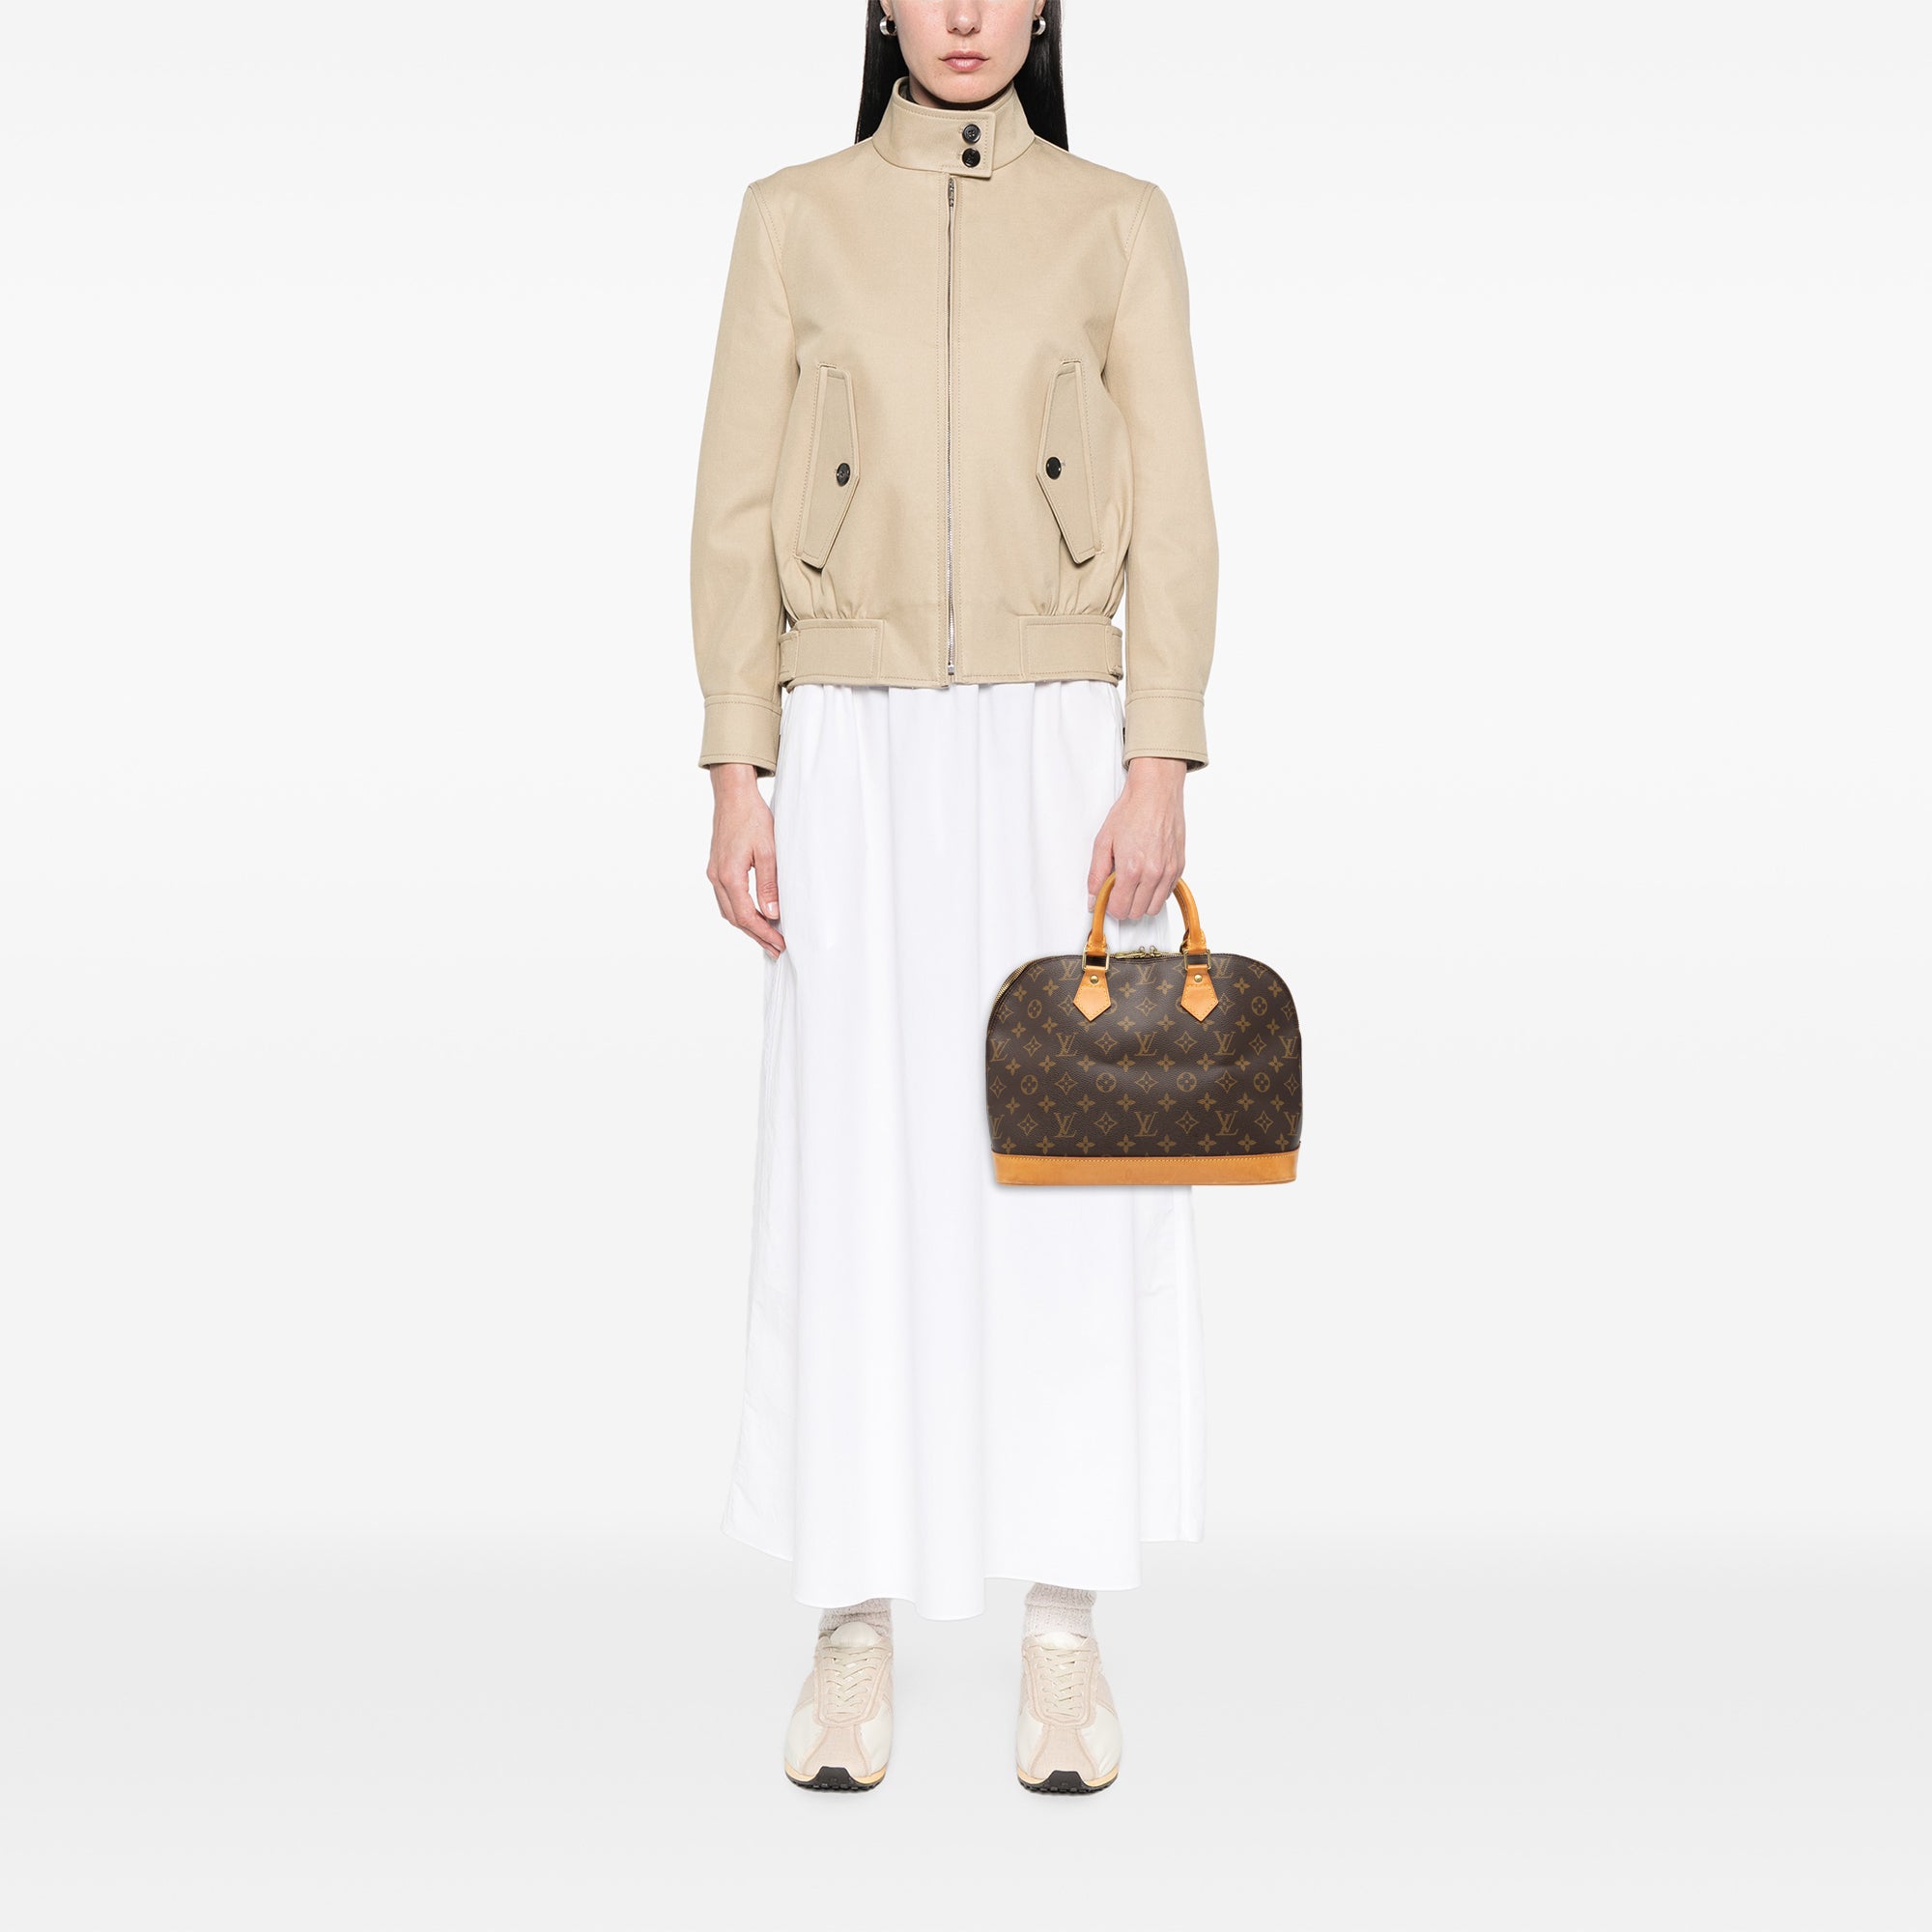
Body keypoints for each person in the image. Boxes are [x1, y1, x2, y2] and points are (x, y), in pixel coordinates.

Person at [690, 0, 1217, 1794]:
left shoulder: (1118, 220)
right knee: (857, 1166)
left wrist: (1159, 754)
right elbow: (734, 507)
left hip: (1063, 746)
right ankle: (851, 1634)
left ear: (1048, 6)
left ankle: (1062, 1637)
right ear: (881, 6)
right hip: (849, 743)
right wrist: (739, 764)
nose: (969, 15)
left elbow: (1179, 512)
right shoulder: (791, 217)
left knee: (1066, 1177)